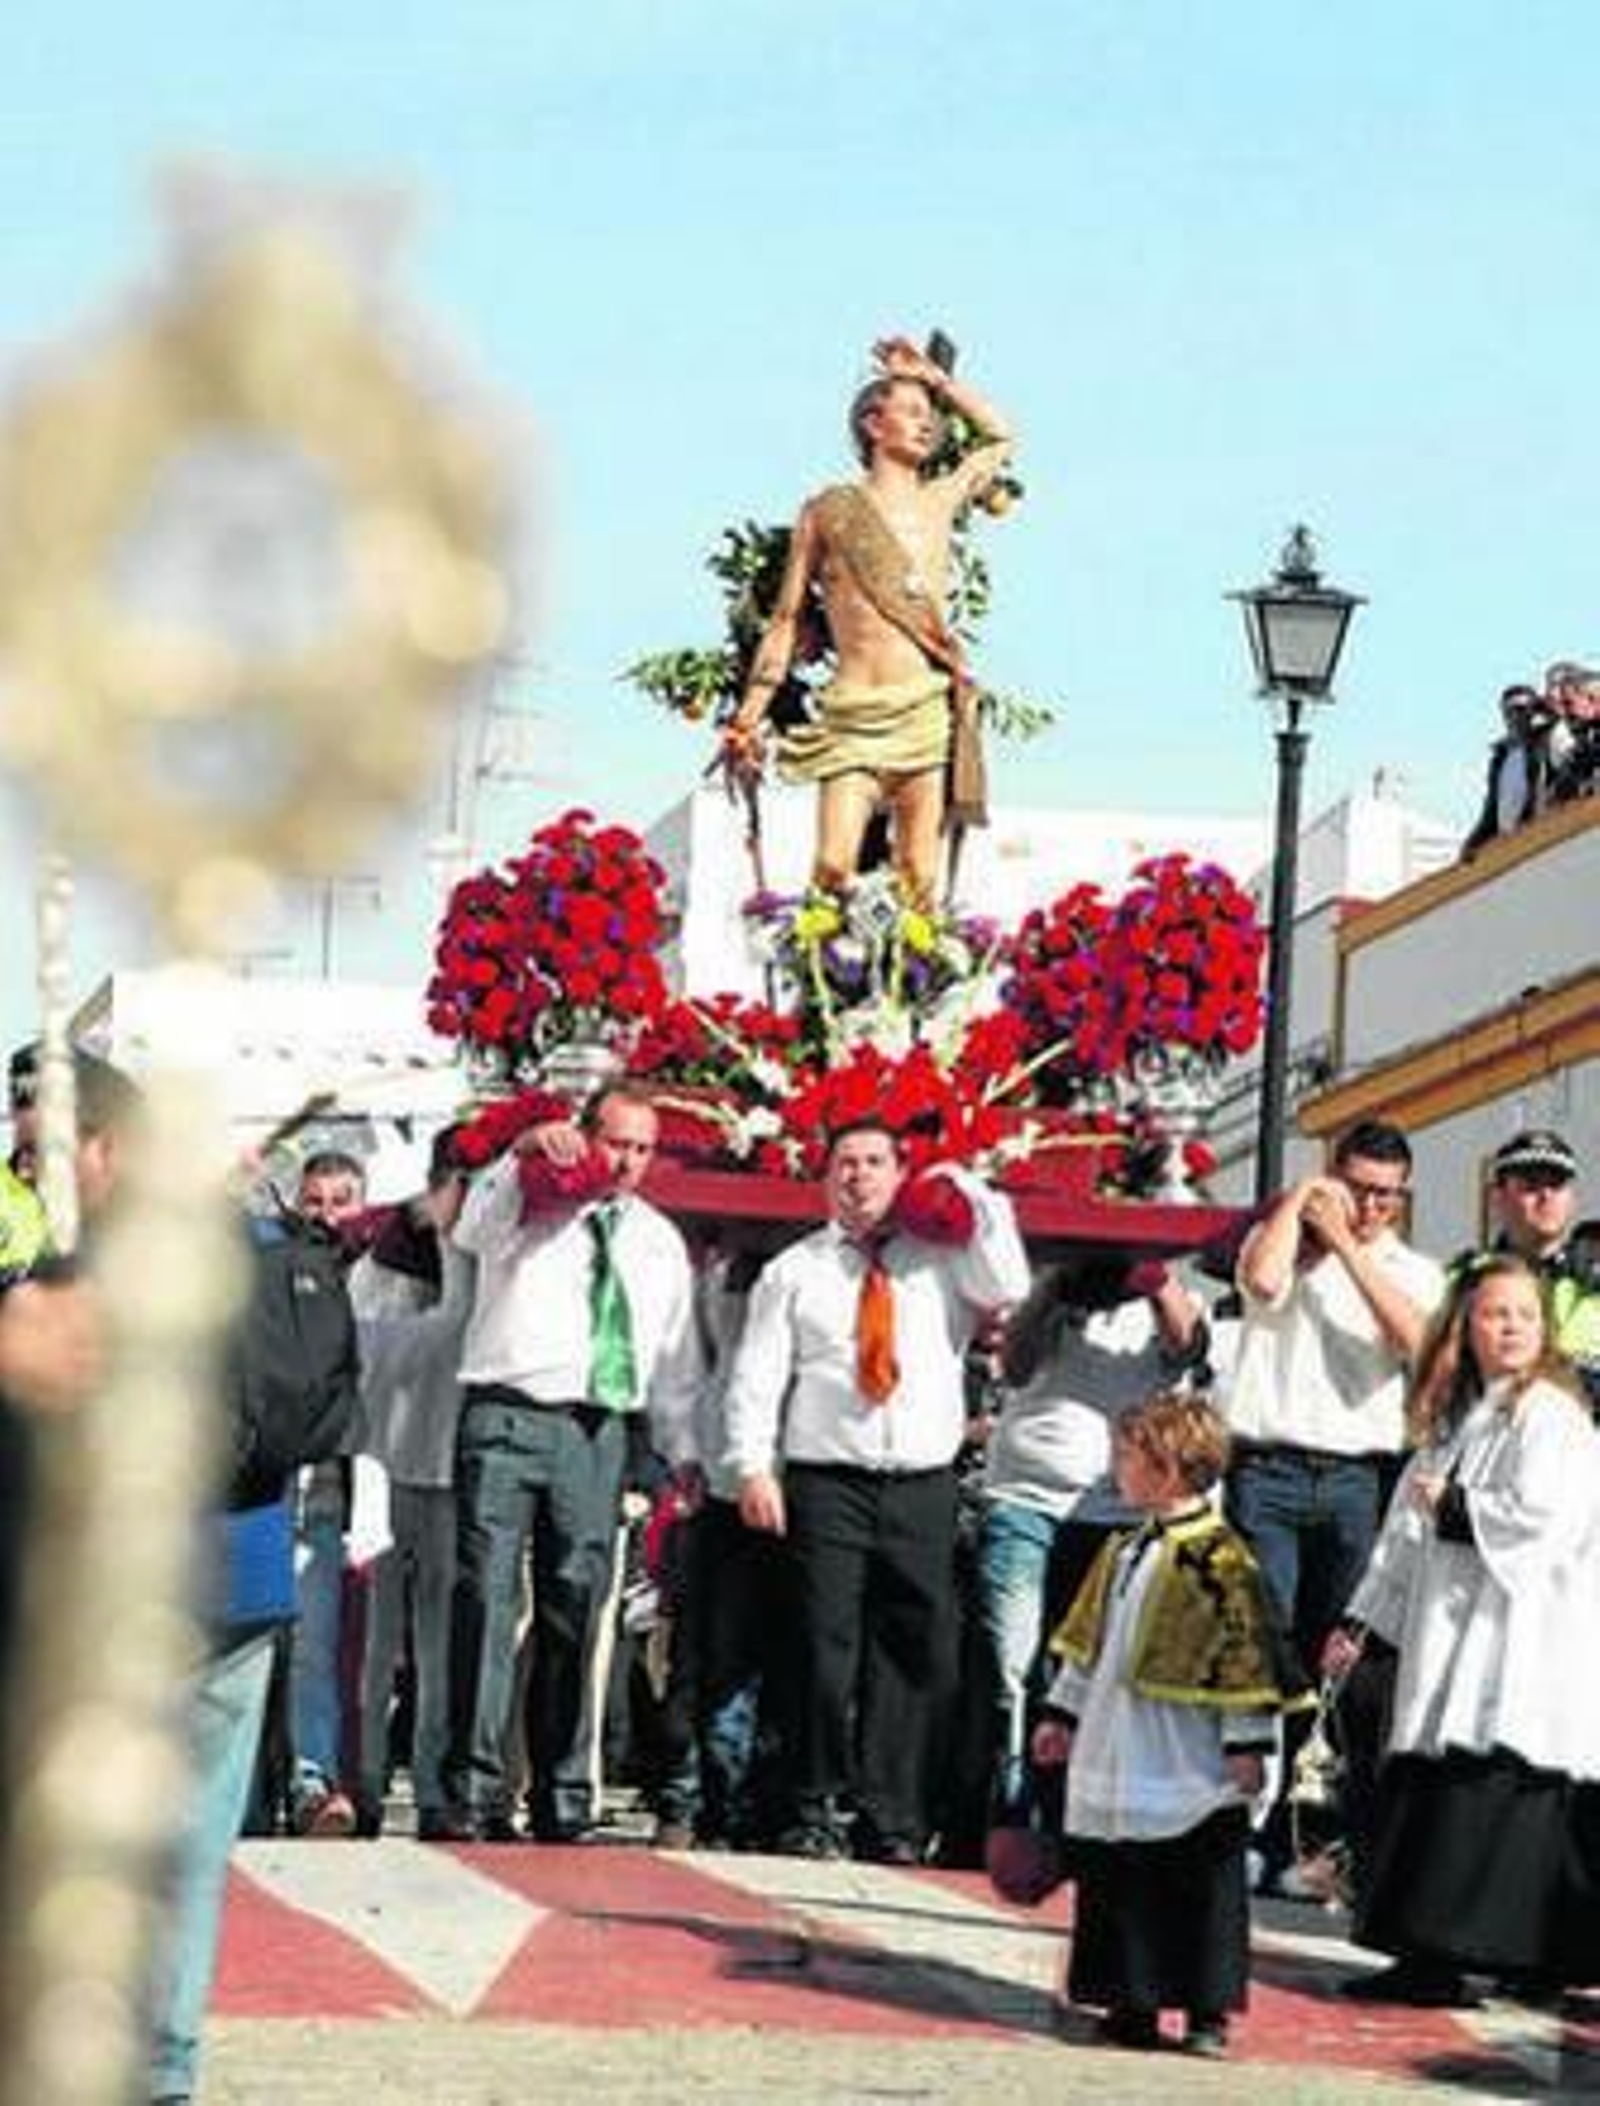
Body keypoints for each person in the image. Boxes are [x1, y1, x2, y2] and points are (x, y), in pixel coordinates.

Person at [724, 1118, 1030, 1862]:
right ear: (825, 1179)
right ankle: (812, 1803)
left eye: (873, 1163)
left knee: (914, 1650)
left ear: (900, 1175)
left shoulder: (943, 1260)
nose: (857, 1176)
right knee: (819, 1646)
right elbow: (757, 1376)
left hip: (920, 1482)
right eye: (844, 1164)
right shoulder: (795, 1269)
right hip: (826, 1480)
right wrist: (752, 1467)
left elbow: (1009, 1283)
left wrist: (967, 1190)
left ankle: (891, 1815)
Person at [1328, 1256, 1600, 2006]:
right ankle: (1426, 1956)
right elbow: (1402, 1534)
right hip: (1447, 1632)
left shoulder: (1550, 1415)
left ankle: (1513, 1956)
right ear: (1466, 1325)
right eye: (1495, 1313)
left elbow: (1548, 1520)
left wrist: (1456, 1505)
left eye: (1525, 1315)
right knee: (1431, 1780)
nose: (1511, 1327)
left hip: (1516, 1639)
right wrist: (1364, 1619)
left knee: (1499, 1778)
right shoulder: (1459, 1418)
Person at [447, 1084, 701, 1842]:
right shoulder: (533, 1200)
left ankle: (561, 1793)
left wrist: (684, 1450)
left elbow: (675, 1358)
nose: (626, 1161)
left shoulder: (657, 1240)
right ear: (587, 1136)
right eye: (616, 1143)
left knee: (578, 1606)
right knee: (487, 1600)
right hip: (509, 1411)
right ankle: (470, 1790)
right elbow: (473, 1230)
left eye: (642, 1149)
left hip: (597, 1429)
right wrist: (522, 1152)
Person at [1031, 1391, 1309, 2059]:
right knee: (1123, 1870)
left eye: (1129, 1457)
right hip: (1120, 1739)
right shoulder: (1124, 1549)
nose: (1117, 1469)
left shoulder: (1221, 1561)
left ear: (1171, 1467)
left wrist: (1246, 1742)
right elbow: (1087, 1643)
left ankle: (1207, 2010)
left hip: (1187, 1751)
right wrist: (1062, 1714)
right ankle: (1132, 2000)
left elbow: (1246, 1654)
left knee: (1195, 1878)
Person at [1223, 1118, 1445, 1891]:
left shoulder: (1413, 1269)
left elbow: (1418, 1343)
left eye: (1388, 1195)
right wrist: (1300, 1206)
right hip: (1270, 1468)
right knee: (1267, 1641)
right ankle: (1247, 1815)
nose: (1372, 1205)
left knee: (1338, 1657)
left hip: (1356, 1477)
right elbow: (1260, 1282)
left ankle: (1308, 1827)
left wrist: (1350, 1248)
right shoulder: (1287, 1242)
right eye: (1358, 1189)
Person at [721, 334, 1015, 908]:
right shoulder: (828, 512)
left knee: (919, 878)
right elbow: (786, 618)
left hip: (923, 711)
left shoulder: (940, 500)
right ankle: (820, 962)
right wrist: (748, 716)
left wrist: (935, 379)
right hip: (853, 712)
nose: (927, 424)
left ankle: (919, 967)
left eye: (930, 415)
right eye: (911, 411)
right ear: (873, 424)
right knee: (831, 866)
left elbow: (1000, 437)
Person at [977, 1252, 1208, 1813]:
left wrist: (1151, 1277)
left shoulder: (1171, 1298)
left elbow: (1187, 1349)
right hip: (1026, 1500)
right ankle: (1011, 1811)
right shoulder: (1044, 1289)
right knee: (1011, 1665)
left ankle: (1076, 1810)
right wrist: (1058, 1285)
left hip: (1116, 1513)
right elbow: (1016, 1365)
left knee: (1093, 1675)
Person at [349, 1131, 474, 1840]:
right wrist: (445, 1235)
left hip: (443, 1469)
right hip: (388, 1470)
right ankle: (369, 1783)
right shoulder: (387, 1259)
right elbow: (436, 1327)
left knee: (431, 1644)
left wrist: (450, 1234)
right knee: (383, 1641)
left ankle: (424, 1787)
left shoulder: (461, 1256)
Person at [1461, 1129, 1599, 1412]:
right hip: (1496, 1431)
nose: (1546, 1195)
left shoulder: (1593, 1277)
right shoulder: (1467, 1280)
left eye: (1557, 1185)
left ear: (1572, 1197)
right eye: (1531, 1185)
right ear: (1497, 1197)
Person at [1459, 684, 1557, 859]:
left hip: (1535, 838)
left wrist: (1544, 706)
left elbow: (1563, 723)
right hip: (1508, 845)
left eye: (1521, 709)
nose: (1515, 716)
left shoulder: (1543, 744)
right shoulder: (1501, 757)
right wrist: (1473, 842)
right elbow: (1491, 811)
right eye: (1509, 711)